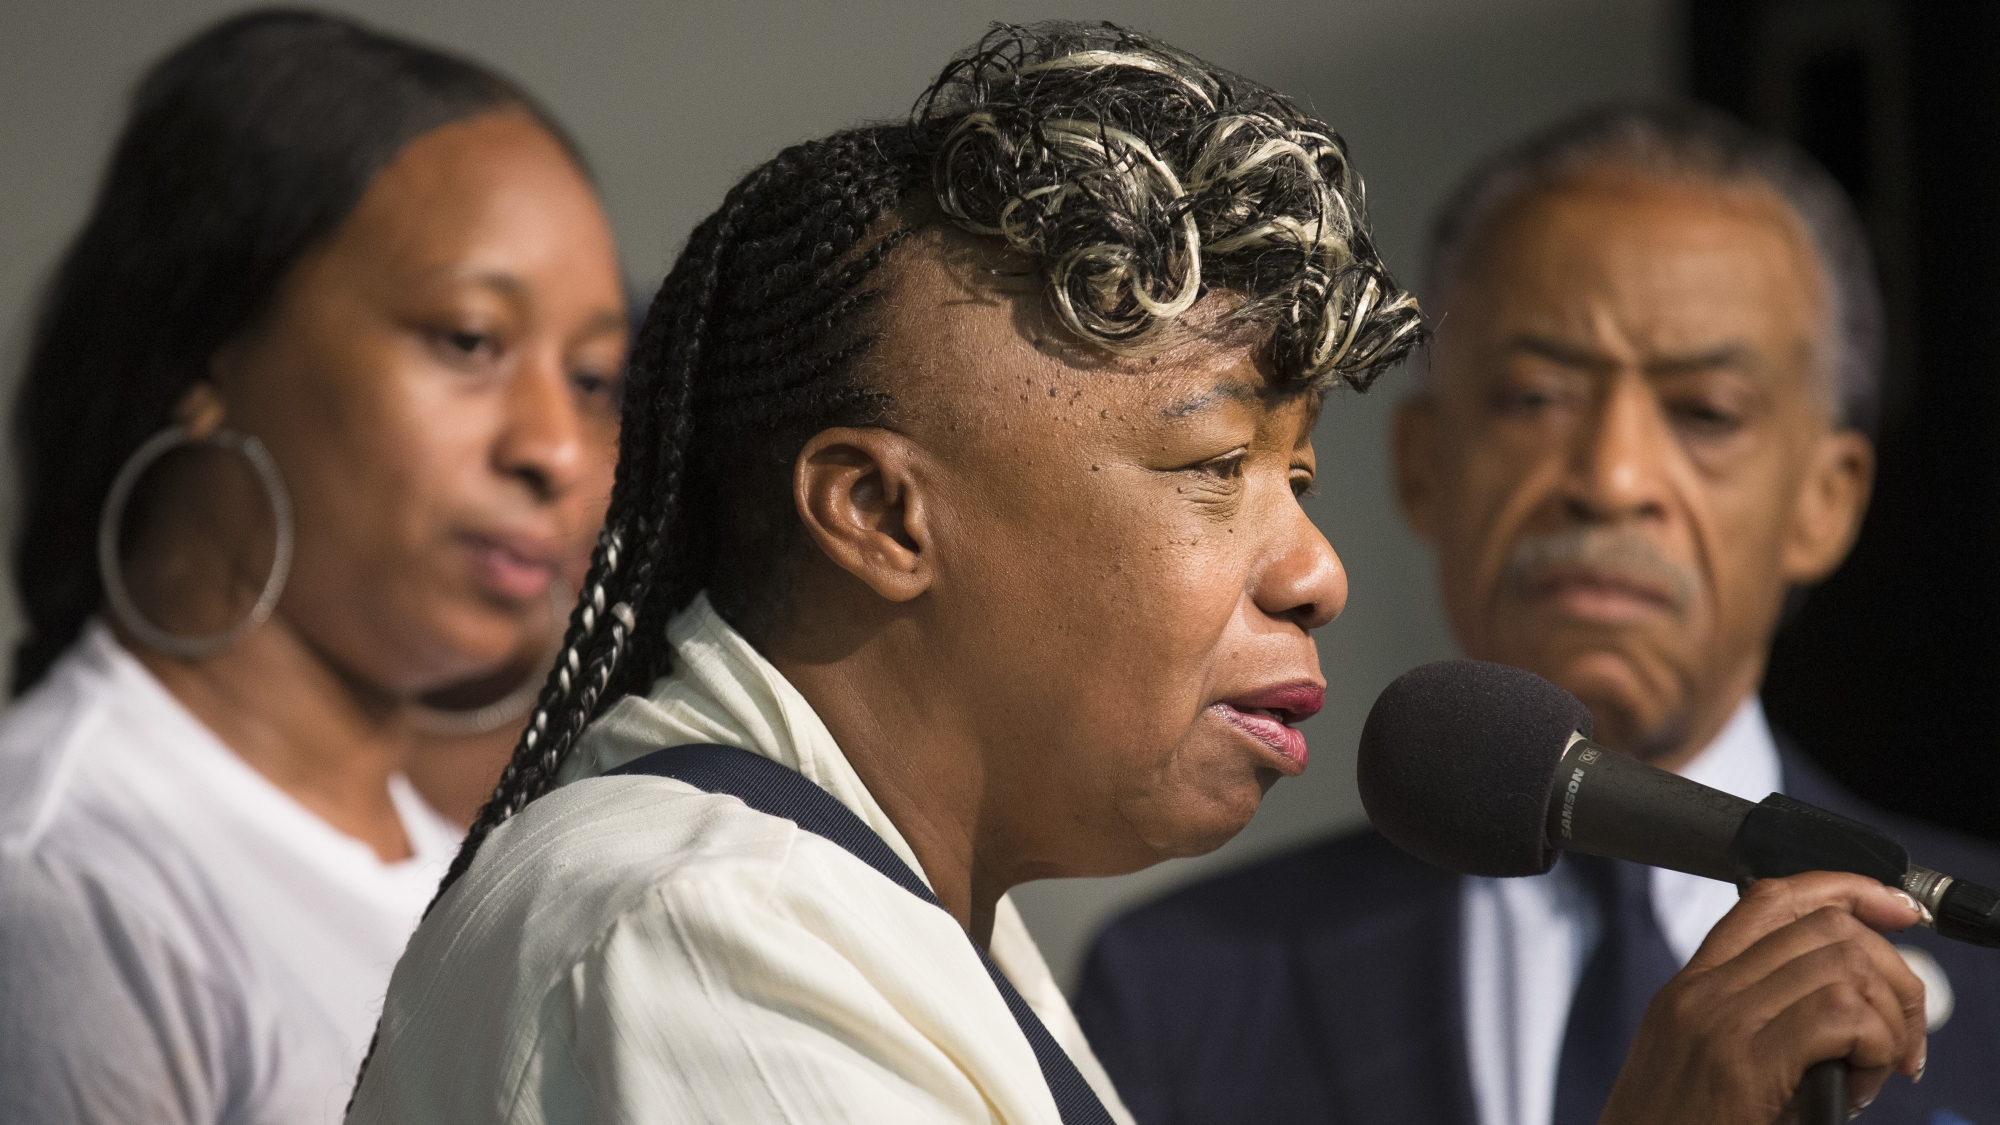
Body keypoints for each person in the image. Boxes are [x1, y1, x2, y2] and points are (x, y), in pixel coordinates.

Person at [352, 34, 1929, 1125]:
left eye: (1297, 480)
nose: (1313, 571)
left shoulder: (881, 910)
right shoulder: (700, 932)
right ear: (880, 515)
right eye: (1209, 468)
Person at [1074, 104, 2000, 1125]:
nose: (1608, 478)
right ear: (1421, 465)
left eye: (1703, 414)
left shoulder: (1982, 950)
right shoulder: (1178, 988)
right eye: (1532, 398)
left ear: (1825, 500)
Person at [0, 11, 625, 1124]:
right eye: (470, 341)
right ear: (207, 348)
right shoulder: (70, 885)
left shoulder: (477, 884)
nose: (558, 451)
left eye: (591, 379)